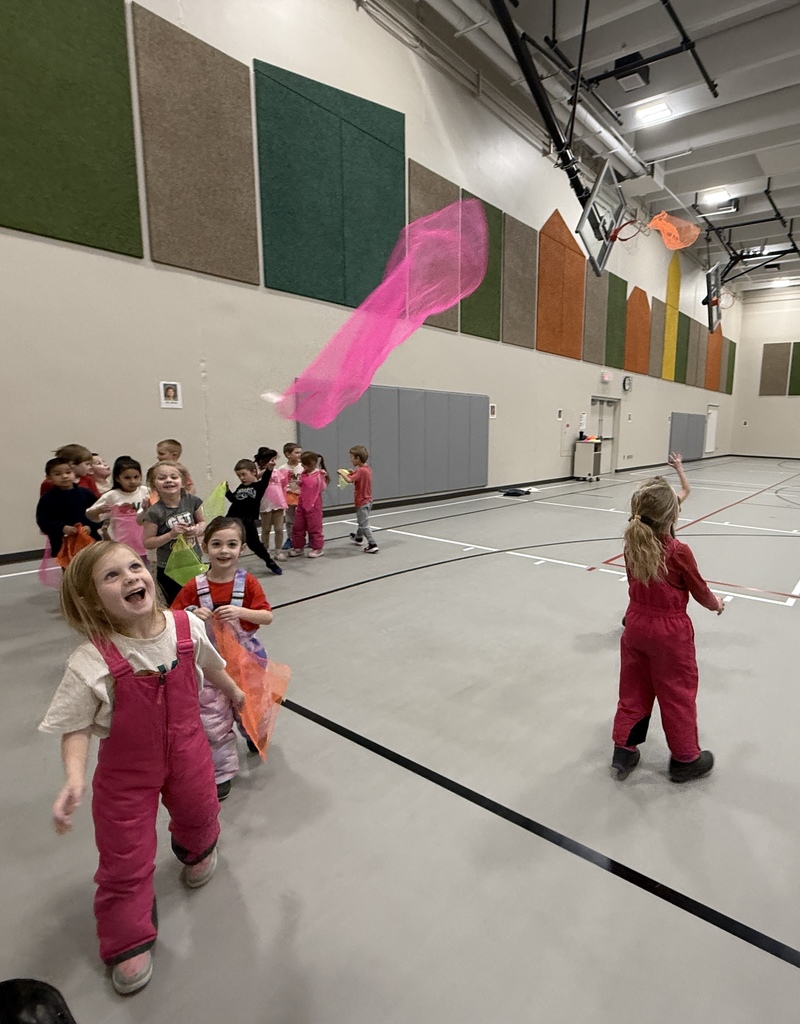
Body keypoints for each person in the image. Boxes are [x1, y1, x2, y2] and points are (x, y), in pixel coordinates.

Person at [39, 542, 245, 995]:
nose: (131, 577)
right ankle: (127, 938)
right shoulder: (91, 659)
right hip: (125, 774)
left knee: (200, 808)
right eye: (111, 576)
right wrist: (73, 777)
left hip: (190, 750)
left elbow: (211, 667)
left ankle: (197, 849)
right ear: (92, 600)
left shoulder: (185, 625)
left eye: (134, 566)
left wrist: (234, 692)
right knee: (124, 856)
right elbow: (74, 727)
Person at [611, 477, 724, 784]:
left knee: (633, 689)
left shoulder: (632, 543)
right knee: (677, 693)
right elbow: (698, 588)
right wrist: (716, 604)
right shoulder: (678, 551)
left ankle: (624, 750)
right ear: (673, 516)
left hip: (634, 624)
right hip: (669, 632)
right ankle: (685, 758)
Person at [172, 517, 273, 798]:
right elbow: (172, 616)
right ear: (205, 547)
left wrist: (242, 612)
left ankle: (254, 734)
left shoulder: (248, 583)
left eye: (232, 544)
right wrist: (191, 612)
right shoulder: (194, 585)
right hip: (209, 667)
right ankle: (222, 772)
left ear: (242, 548)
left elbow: (267, 616)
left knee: (252, 708)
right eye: (216, 544)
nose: (224, 551)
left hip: (246, 662)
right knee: (213, 721)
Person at [141, 462, 205, 604]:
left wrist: (196, 530)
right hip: (169, 567)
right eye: (162, 478)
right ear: (153, 485)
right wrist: (170, 535)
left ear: (182, 482)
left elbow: (202, 523)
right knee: (177, 603)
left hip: (194, 561)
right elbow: (148, 542)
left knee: (200, 601)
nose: (169, 480)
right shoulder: (154, 512)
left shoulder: (191, 501)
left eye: (174, 477)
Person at [225, 460, 282, 576]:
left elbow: (266, 478)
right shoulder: (240, 487)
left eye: (244, 474)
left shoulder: (258, 486)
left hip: (247, 521)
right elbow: (233, 500)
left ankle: (269, 562)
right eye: (239, 475)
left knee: (255, 545)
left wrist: (269, 468)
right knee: (226, 542)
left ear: (253, 472)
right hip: (232, 519)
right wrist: (227, 491)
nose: (241, 478)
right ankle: (217, 567)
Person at [36, 458, 101, 558]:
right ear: (49, 478)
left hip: (90, 540)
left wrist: (90, 526)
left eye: (68, 472)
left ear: (74, 474)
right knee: (69, 570)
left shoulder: (86, 494)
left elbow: (98, 514)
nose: (64, 476)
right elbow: (43, 521)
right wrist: (62, 528)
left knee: (94, 566)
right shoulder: (47, 499)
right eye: (58, 474)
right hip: (63, 543)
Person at [86, 457, 150, 542]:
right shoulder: (111, 495)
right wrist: (99, 510)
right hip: (120, 540)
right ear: (117, 478)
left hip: (144, 539)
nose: (132, 481)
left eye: (136, 477)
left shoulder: (146, 491)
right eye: (127, 478)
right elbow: (90, 514)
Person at [289, 451, 328, 558]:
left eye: (304, 464)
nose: (302, 466)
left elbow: (321, 487)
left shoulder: (319, 474)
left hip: (314, 505)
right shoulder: (304, 473)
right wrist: (298, 483)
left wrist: (323, 477)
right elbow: (304, 485)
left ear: (312, 464)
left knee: (315, 527)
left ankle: (317, 548)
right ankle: (298, 547)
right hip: (302, 503)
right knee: (298, 526)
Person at [340, 444, 378, 553]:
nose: (350, 459)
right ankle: (358, 537)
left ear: (358, 458)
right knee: (362, 521)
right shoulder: (366, 469)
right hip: (368, 500)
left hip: (361, 501)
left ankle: (372, 543)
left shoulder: (361, 471)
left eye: (351, 457)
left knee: (364, 524)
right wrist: (352, 473)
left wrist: (341, 473)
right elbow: (357, 477)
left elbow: (349, 480)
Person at [254, 447, 287, 560]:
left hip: (278, 502)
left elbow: (282, 485)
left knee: (279, 528)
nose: (274, 462)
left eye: (275, 459)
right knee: (266, 529)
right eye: (271, 459)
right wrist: (267, 469)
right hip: (265, 503)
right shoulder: (259, 473)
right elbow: (254, 479)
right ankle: (265, 549)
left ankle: (278, 550)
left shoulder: (277, 472)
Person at [278, 443, 303, 550]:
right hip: (289, 498)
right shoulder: (282, 469)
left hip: (302, 497)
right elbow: (279, 484)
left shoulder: (303, 467)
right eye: (296, 453)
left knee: (303, 519)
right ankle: (290, 538)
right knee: (290, 519)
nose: (299, 455)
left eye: (300, 453)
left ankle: (304, 538)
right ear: (288, 454)